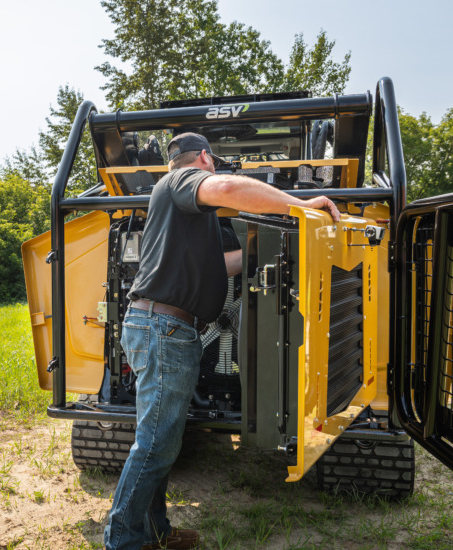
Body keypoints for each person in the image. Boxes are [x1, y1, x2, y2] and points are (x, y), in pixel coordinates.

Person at [103, 132, 340, 550]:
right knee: (156, 445)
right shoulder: (180, 181)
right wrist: (301, 205)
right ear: (206, 160)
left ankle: (154, 532)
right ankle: (121, 541)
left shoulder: (182, 209)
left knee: (160, 440)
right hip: (163, 329)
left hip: (162, 328)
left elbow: (217, 265)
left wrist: (263, 252)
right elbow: (229, 188)